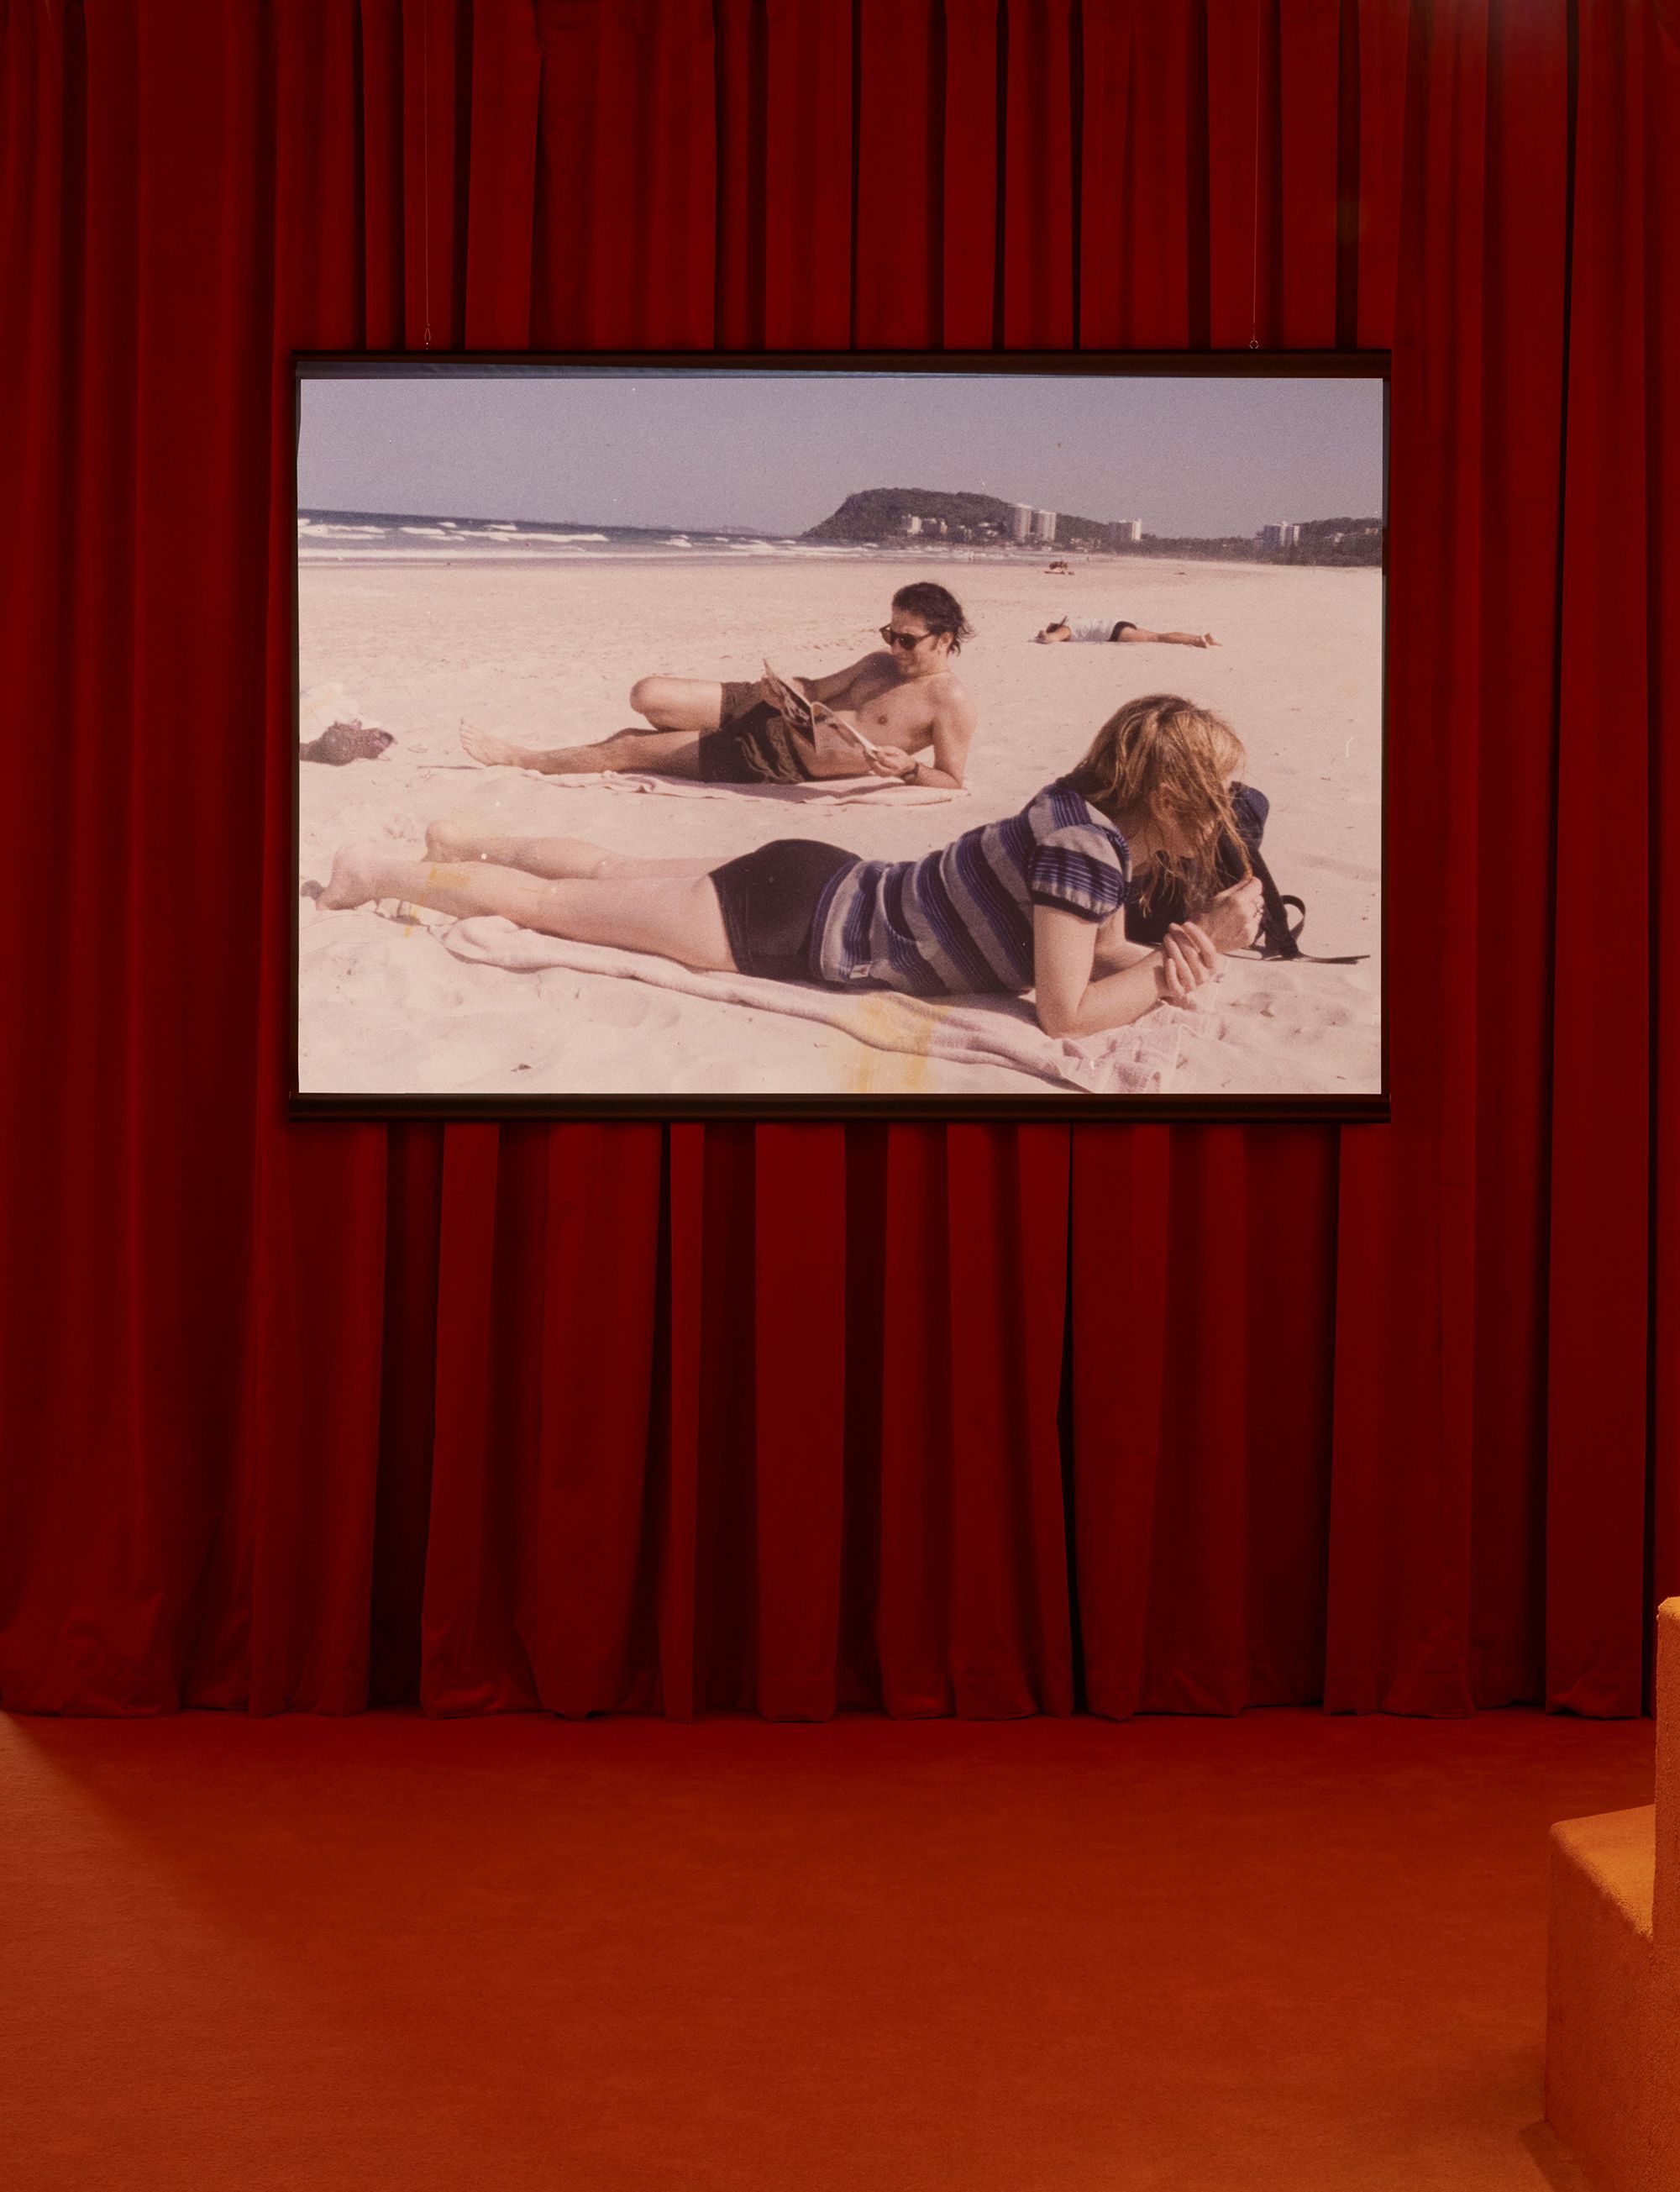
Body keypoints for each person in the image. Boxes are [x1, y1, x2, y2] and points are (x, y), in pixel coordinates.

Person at [320, 694, 1263, 1040]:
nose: (1223, 814)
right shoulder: (1085, 852)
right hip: (798, 925)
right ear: (1170, 792)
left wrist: (1173, 955)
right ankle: (376, 871)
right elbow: (1063, 1014)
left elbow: (1100, 951)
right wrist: (1169, 965)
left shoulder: (1070, 813)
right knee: (546, 905)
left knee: (608, 866)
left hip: (821, 874)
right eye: (1216, 793)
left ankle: (455, 839)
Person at [460, 581, 978, 791]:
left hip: (776, 758)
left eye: (907, 640)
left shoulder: (948, 702)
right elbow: (816, 685)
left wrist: (909, 768)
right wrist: (785, 689)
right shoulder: (876, 663)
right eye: (891, 634)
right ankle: (673, 737)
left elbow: (952, 781)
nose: (895, 648)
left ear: (944, 639)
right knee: (648, 694)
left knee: (627, 747)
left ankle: (521, 757)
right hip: (774, 711)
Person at [1037, 614, 1218, 649]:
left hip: (1113, 632)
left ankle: (1197, 640)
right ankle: (1203, 638)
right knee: (1158, 635)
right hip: (1118, 624)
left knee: (1158, 638)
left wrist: (1043, 635)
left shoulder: (1067, 629)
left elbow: (1050, 639)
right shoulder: (1075, 621)